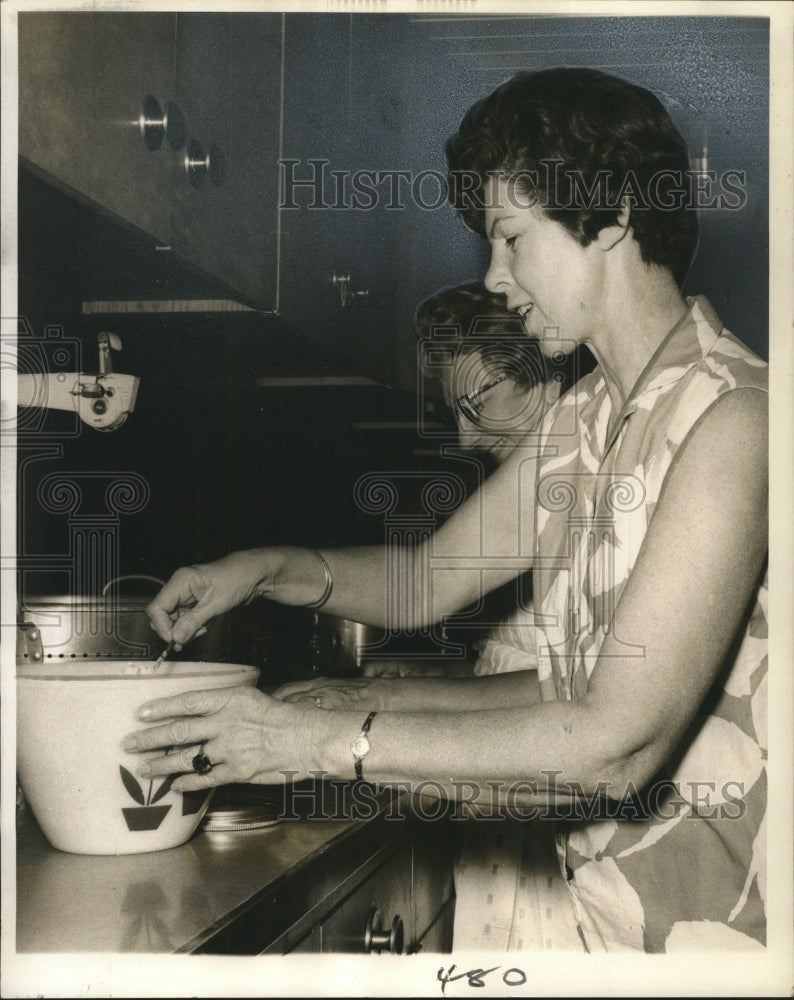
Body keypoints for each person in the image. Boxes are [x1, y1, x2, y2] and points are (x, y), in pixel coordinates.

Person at [123, 67, 768, 953]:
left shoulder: (737, 418)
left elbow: (615, 746)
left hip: (710, 945)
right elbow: (428, 581)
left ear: (612, 213)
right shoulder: (591, 417)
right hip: (601, 926)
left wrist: (313, 741)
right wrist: (262, 570)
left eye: (509, 238)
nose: (495, 279)